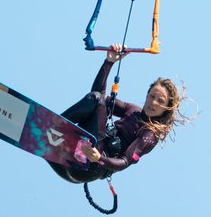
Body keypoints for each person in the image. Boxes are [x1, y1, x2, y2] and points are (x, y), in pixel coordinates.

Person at [50, 44, 185, 184]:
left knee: (97, 98)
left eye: (160, 101)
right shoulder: (133, 110)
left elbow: (125, 161)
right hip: (72, 157)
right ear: (147, 95)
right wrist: (109, 62)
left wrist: (99, 158)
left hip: (90, 167)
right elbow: (97, 97)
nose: (154, 102)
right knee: (95, 98)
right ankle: (53, 126)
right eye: (152, 96)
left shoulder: (150, 134)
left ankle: (54, 125)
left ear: (166, 109)